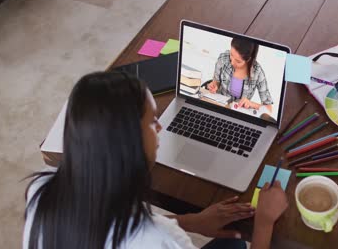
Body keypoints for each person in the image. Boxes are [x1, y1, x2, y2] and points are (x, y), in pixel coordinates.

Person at [23, 71, 288, 249]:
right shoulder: (160, 240)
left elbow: (113, 228)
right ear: (130, 144)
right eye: (152, 121)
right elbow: (149, 234)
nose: (160, 127)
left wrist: (192, 222)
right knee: (237, 242)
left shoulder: (41, 191)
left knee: (230, 242)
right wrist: (264, 222)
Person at [207, 38, 273, 112]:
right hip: (218, 107)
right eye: (231, 54)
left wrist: (251, 104)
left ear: (248, 59)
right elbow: (216, 81)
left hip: (238, 113)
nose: (232, 62)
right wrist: (214, 85)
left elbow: (269, 109)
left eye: (238, 61)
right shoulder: (223, 58)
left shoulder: (258, 72)